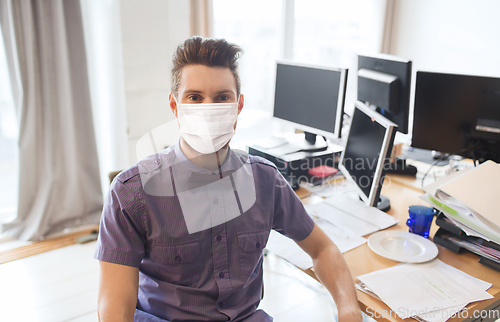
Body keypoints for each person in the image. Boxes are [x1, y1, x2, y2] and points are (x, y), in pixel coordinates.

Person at [94, 36, 362, 322]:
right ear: (175, 107)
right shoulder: (131, 193)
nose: (209, 110)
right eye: (195, 98)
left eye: (222, 98)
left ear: (238, 106)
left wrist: (348, 309)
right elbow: (115, 310)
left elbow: (322, 248)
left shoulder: (265, 181)